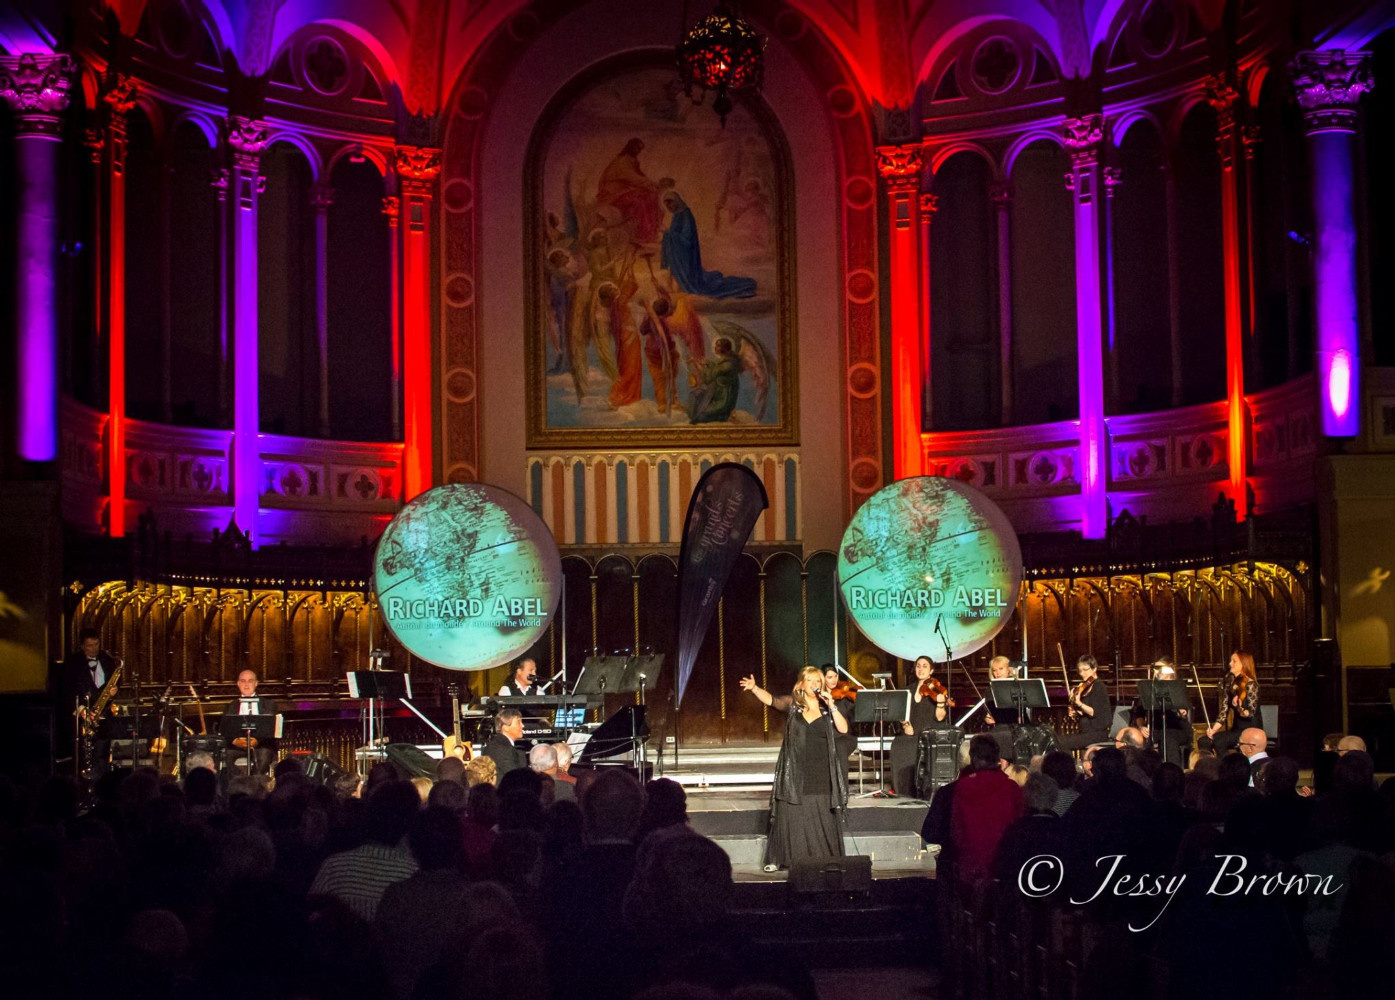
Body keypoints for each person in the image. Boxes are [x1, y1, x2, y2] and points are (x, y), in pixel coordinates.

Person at [739, 666, 848, 871]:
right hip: (796, 768)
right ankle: (782, 859)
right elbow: (772, 700)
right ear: (801, 684)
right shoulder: (793, 706)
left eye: (818, 681)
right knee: (792, 812)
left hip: (821, 769)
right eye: (810, 681)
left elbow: (843, 729)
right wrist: (754, 689)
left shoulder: (827, 709)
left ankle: (823, 858)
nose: (815, 685)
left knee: (821, 810)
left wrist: (832, 705)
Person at [891, 655, 951, 796]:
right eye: (918, 665)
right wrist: (905, 725)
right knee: (898, 744)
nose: (921, 669)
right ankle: (902, 791)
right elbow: (900, 713)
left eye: (925, 666)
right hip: (911, 732)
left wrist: (941, 703)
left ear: (931, 671)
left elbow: (940, 717)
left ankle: (920, 789)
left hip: (928, 732)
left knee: (916, 745)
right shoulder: (908, 690)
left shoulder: (937, 690)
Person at [1130, 655, 1192, 766]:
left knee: (1168, 738)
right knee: (1143, 739)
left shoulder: (1178, 687)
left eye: (1161, 669)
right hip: (1157, 728)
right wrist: (1141, 727)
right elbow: (1139, 713)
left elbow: (1184, 712)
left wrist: (1181, 711)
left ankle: (1173, 771)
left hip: (1177, 729)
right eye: (1157, 669)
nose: (1158, 672)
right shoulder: (1150, 687)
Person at [220, 669, 276, 772]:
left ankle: (255, 785)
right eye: (243, 681)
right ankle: (237, 786)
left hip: (260, 745)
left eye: (250, 681)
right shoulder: (230, 706)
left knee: (263, 757)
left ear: (256, 683)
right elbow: (224, 729)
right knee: (226, 756)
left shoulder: (268, 704)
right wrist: (235, 741)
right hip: (237, 746)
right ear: (238, 684)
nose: (246, 684)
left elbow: (271, 728)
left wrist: (257, 741)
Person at [1205, 650, 1259, 754]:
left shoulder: (1251, 685)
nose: (1230, 664)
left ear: (1244, 664)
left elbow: (1250, 714)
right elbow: (1224, 711)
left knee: (1219, 742)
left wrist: (1239, 708)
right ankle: (1210, 767)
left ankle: (1228, 768)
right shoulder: (1230, 683)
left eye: (1234, 661)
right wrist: (1214, 729)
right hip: (1236, 729)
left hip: (1250, 729)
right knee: (1204, 741)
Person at [1056, 654, 1112, 753]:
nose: (1082, 674)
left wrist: (1079, 703)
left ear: (1094, 669)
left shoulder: (1099, 687)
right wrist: (1075, 712)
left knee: (1061, 742)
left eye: (1085, 670)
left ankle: (1068, 767)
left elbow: (1093, 712)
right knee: (1057, 739)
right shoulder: (1084, 688)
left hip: (1097, 733)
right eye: (1080, 671)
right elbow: (1084, 713)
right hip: (1085, 732)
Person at [482, 708, 528, 778]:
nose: (522, 725)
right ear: (505, 727)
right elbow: (517, 778)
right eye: (518, 722)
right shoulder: (504, 749)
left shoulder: (494, 745)